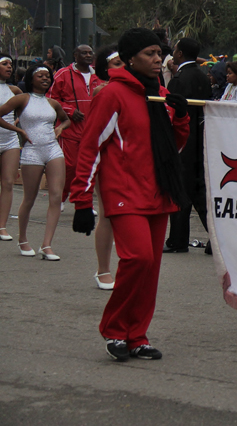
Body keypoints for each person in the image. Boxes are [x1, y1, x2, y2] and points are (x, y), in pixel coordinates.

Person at [70, 27, 190, 361]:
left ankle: (137, 336)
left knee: (150, 269)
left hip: (159, 194)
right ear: (129, 59)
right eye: (150, 53)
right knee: (138, 259)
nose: (157, 59)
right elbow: (90, 147)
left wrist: (180, 117)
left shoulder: (160, 94)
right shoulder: (111, 94)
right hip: (124, 193)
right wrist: (82, 201)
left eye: (159, 54)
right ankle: (114, 328)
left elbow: (172, 148)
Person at [0, 66, 70, 260]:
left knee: (56, 196)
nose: (45, 79)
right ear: (31, 79)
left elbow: (66, 120)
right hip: (32, 151)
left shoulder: (52, 103)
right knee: (30, 198)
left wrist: (60, 128)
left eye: (48, 76)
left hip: (53, 150)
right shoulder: (22, 99)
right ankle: (23, 239)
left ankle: (47, 245)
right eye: (40, 76)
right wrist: (19, 131)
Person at [164, 38, 212, 255]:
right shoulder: (203, 77)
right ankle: (216, 238)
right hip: (201, 140)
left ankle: (178, 240)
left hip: (184, 142)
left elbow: (174, 115)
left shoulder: (178, 80)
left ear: (180, 53)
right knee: (198, 193)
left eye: (175, 50)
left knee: (181, 190)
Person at [47, 44, 103, 207]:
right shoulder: (62, 74)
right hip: (70, 129)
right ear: (75, 55)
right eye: (83, 53)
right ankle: (62, 197)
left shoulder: (98, 75)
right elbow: (51, 97)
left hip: (92, 129)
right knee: (69, 166)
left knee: (89, 167)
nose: (88, 55)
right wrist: (70, 111)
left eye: (90, 53)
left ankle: (83, 202)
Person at [89, 45, 122, 289]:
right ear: (105, 69)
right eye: (116, 63)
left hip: (135, 160)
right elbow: (95, 135)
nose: (123, 67)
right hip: (109, 160)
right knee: (107, 214)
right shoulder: (103, 91)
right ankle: (103, 269)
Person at [0, 54, 21, 242]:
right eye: (4, 64)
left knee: (7, 183)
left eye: (11, 65)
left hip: (10, 141)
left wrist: (17, 120)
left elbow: (28, 109)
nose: (9, 67)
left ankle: (2, 226)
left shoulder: (14, 90)